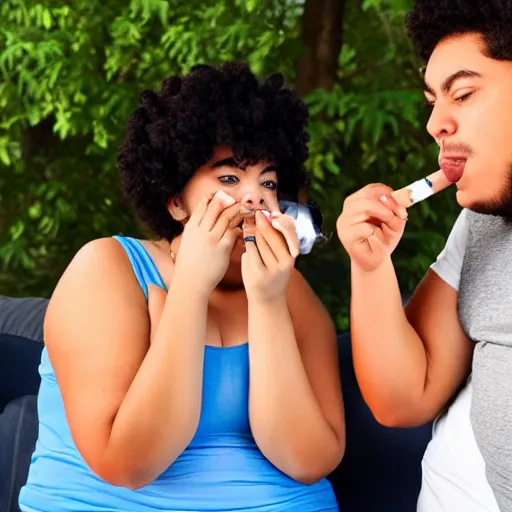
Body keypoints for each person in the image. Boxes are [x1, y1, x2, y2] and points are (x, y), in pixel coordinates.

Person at [18, 62, 344, 512]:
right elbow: (129, 463)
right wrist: (190, 287)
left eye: (267, 182)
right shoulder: (107, 268)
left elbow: (309, 461)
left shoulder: (289, 290)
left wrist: (268, 303)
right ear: (175, 202)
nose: (255, 198)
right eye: (229, 178)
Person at [336, 1, 512, 511]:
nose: (436, 122)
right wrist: (370, 267)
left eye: (463, 93)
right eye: (433, 101)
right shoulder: (481, 224)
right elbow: (403, 398)